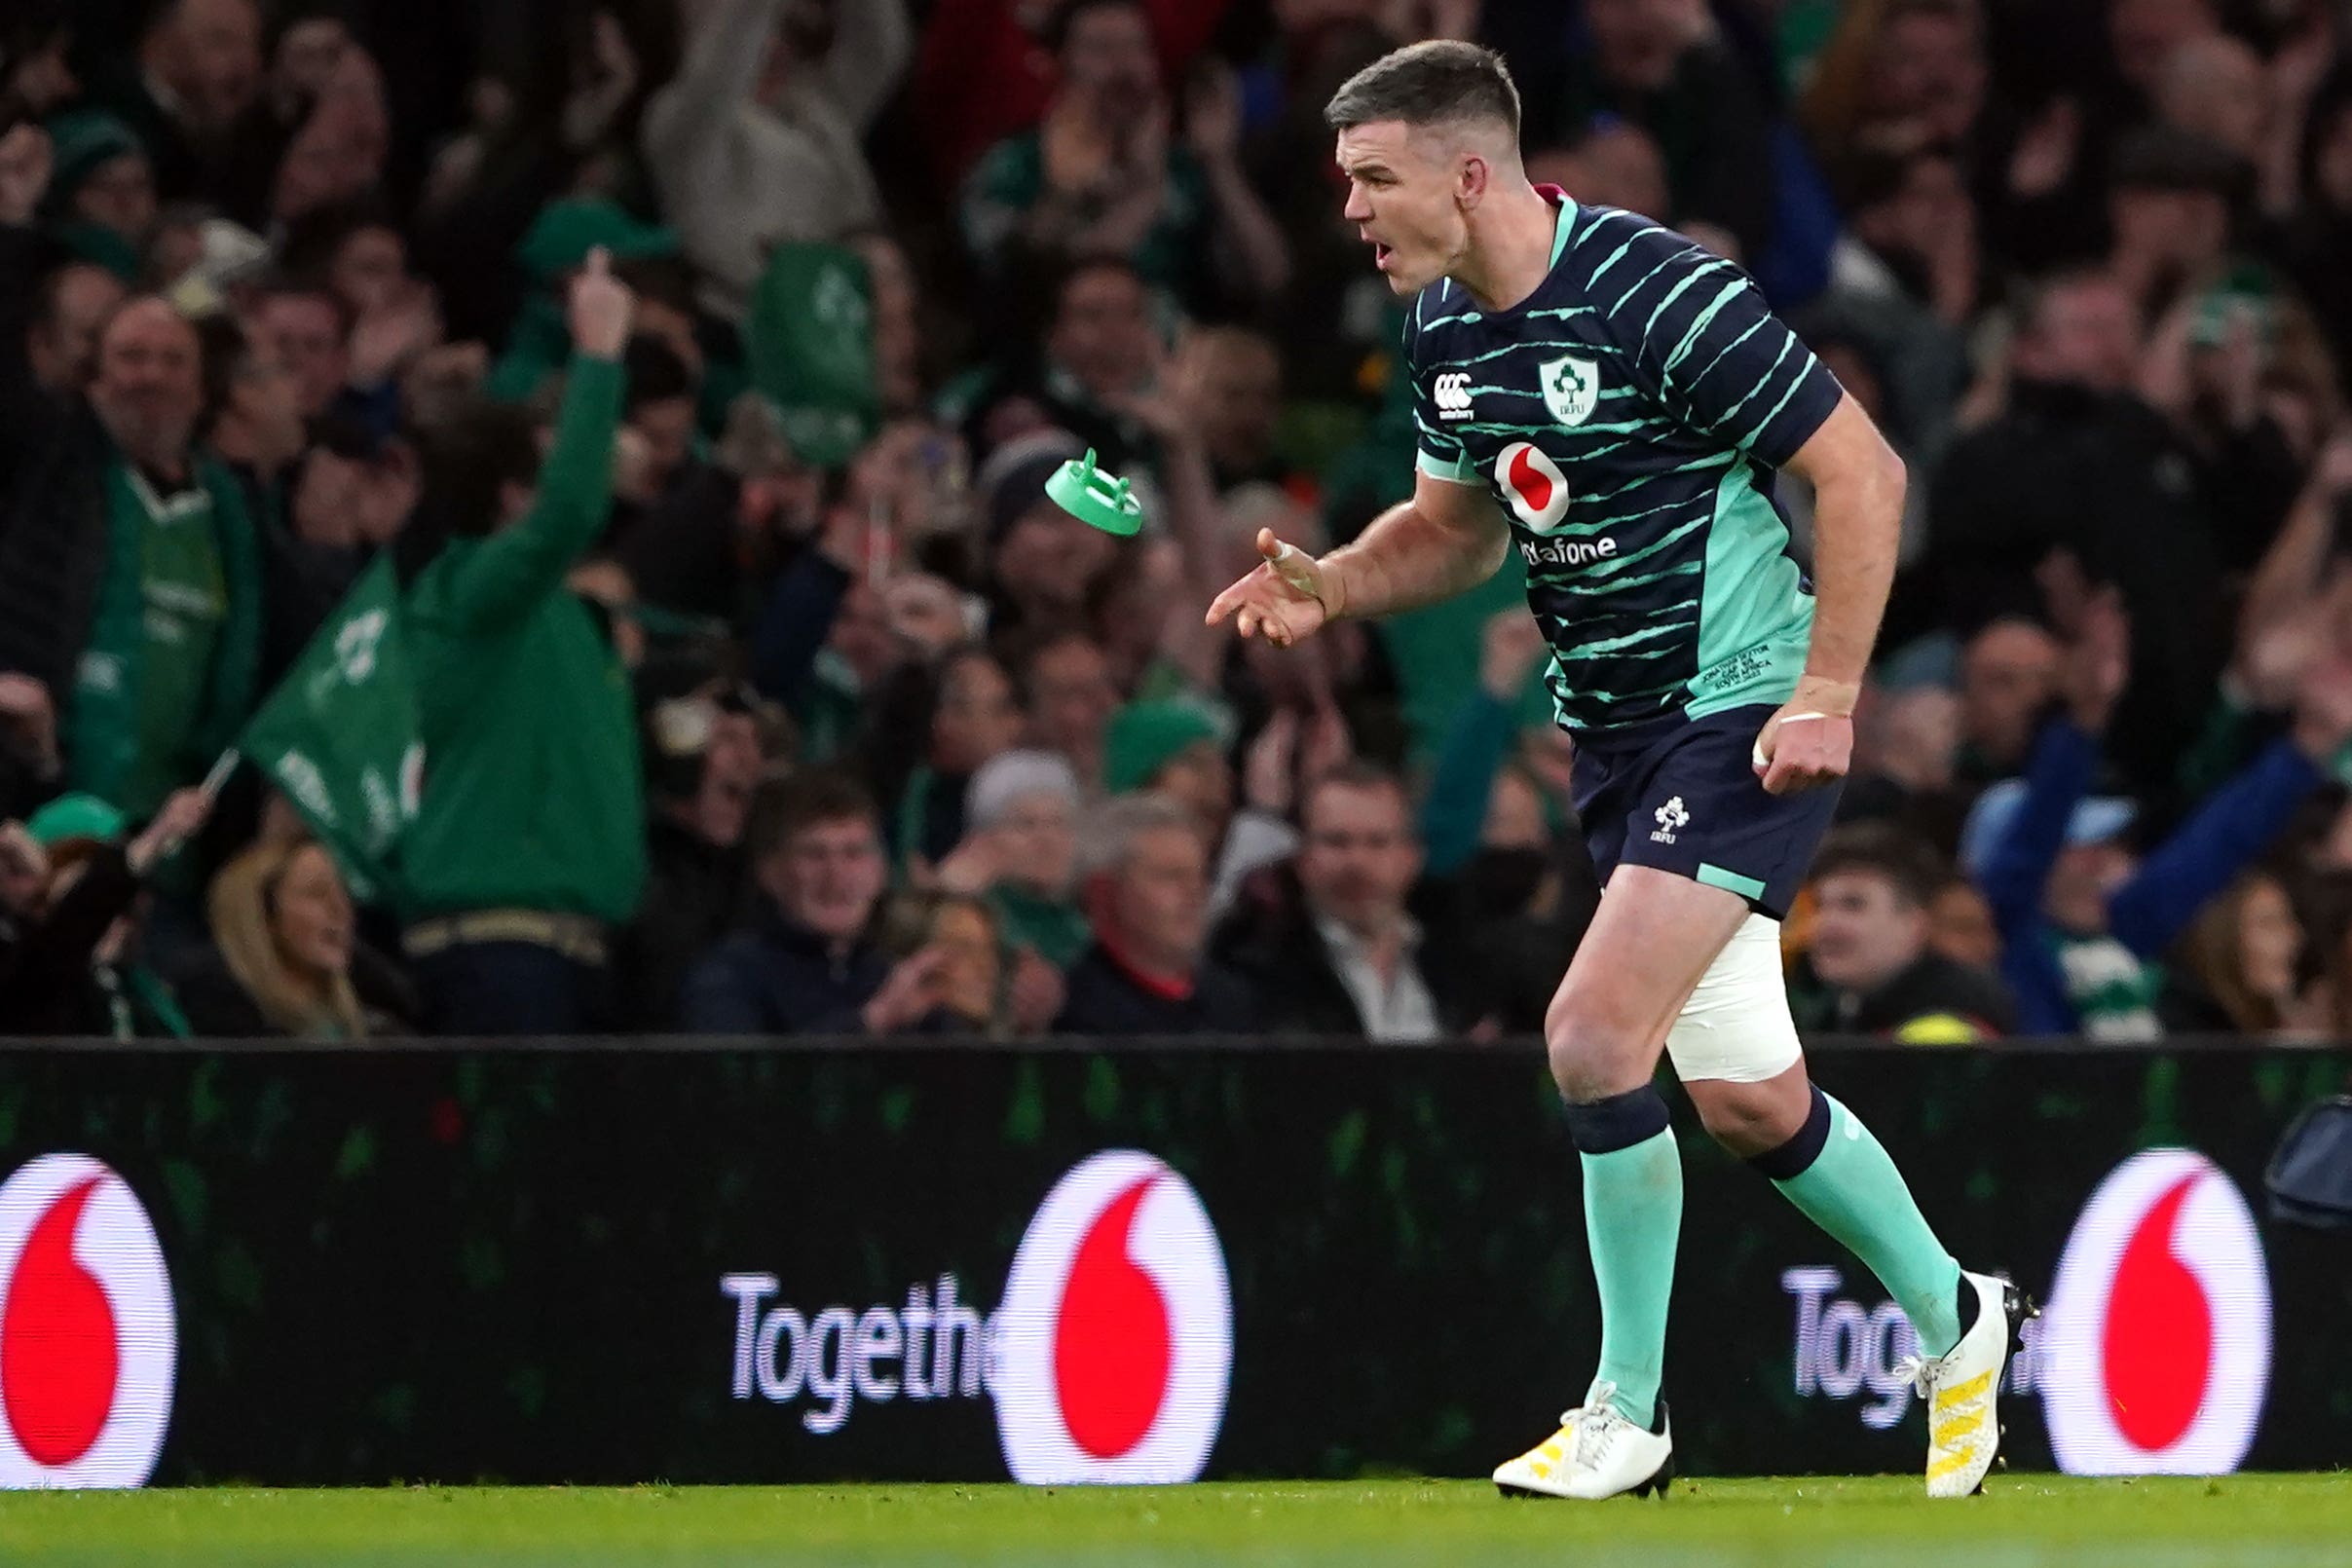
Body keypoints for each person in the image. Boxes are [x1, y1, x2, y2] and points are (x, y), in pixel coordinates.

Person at [1206, 42, 2021, 1499]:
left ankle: (1623, 1413)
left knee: (1590, 1033)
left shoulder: (1659, 290)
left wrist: (1827, 690)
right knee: (1749, 1100)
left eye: (1370, 178)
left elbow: (1863, 473)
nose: (1349, 210)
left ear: (1467, 171)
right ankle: (1956, 1317)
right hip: (1619, 737)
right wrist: (1331, 584)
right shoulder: (1449, 330)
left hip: (1744, 713)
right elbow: (1454, 528)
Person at [395, 248, 645, 1035]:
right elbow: (568, 513)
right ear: (512, 498)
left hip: (569, 953)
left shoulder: (549, 617)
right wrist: (599, 353)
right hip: (502, 958)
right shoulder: (471, 591)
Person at [679, 770, 961, 1035]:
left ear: (880, 872)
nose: (836, 875)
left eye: (854, 853)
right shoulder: (727, 977)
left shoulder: (893, 979)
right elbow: (741, 1081)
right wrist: (873, 1020)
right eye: (814, 854)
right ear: (770, 873)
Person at [1789, 824, 2017, 1040]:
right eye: (1819, 905)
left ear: (1915, 924)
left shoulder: (1943, 1034)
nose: (1824, 923)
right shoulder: (1834, 1013)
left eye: (1853, 904)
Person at [1055, 792, 1256, 1035]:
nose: (1195, 893)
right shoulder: (1074, 1015)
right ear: (1104, 893)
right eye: (1171, 876)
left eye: (1201, 875)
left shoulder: (1235, 1004)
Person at [176, 836, 416, 1037]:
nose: (341, 909)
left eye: (344, 892)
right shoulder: (219, 1015)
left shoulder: (383, 1017)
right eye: (316, 893)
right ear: (264, 917)